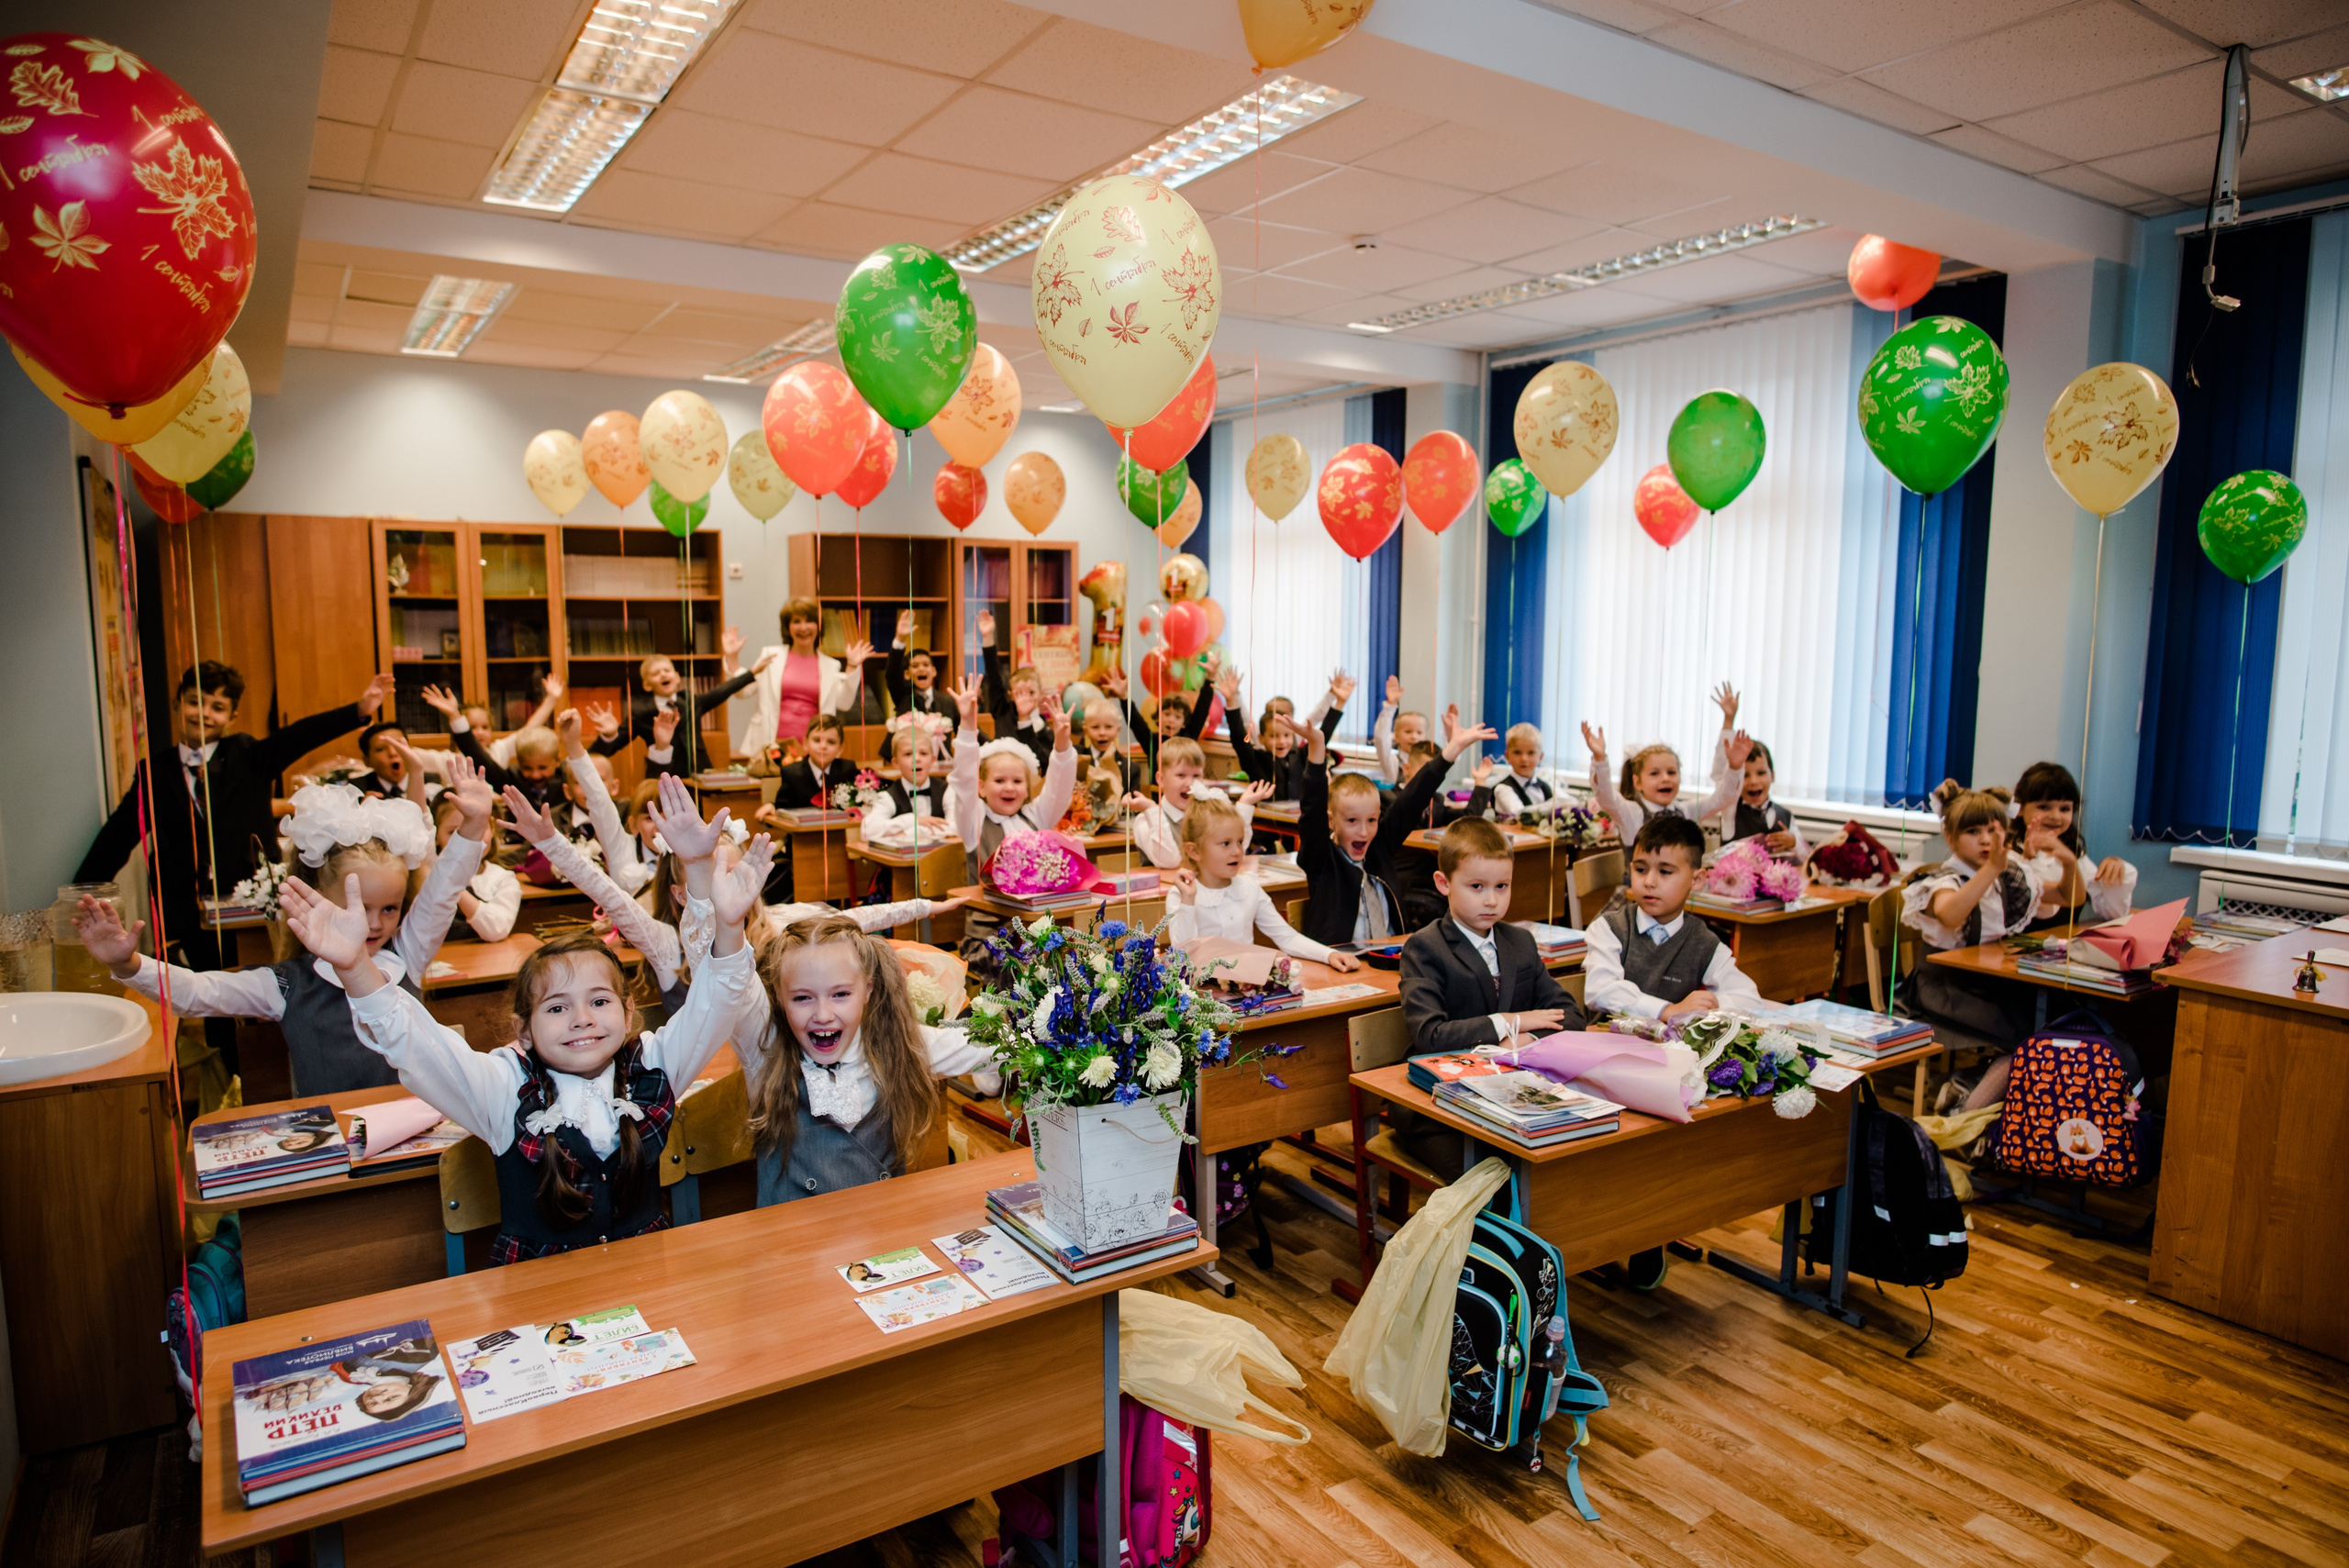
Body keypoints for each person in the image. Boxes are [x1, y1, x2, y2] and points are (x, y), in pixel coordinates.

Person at [282, 783, 769, 1264]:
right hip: (539, 1305)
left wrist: (725, 922)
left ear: (627, 1014)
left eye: (599, 1002)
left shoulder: (653, 1068)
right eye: (556, 1008)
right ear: (525, 1030)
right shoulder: (503, 1088)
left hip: (643, 1285)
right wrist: (356, 970)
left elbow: (717, 998)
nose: (581, 1019)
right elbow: (415, 1046)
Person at [75, 760, 492, 1096]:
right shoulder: (287, 985)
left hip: (414, 1135)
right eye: (357, 907)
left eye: (389, 908)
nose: (373, 923)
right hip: (338, 1152)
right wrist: (129, 964)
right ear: (317, 896)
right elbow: (199, 993)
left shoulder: (407, 954)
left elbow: (442, 890)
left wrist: (473, 827)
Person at [508, 779, 950, 1015]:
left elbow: (855, 919)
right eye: (711, 872)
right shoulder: (667, 946)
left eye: (735, 871)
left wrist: (931, 906)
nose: (727, 882)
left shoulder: (774, 923)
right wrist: (552, 843)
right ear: (681, 894)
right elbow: (614, 897)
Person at [76, 662, 395, 988]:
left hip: (255, 900)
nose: (203, 714)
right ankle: (219, 1040)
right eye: (194, 701)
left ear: (232, 717)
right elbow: (118, 834)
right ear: (177, 705)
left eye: (217, 708)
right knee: (205, 985)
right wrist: (82, 889)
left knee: (263, 983)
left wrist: (358, 710)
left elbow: (298, 736)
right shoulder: (154, 772)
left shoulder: (247, 755)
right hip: (188, 904)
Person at [728, 914, 1001, 1206]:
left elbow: (994, 1049)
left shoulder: (900, 1047)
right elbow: (729, 981)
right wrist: (726, 921)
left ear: (868, 989)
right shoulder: (765, 1051)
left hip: (885, 1238)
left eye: (840, 994)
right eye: (802, 998)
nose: (823, 1015)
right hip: (794, 1245)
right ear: (780, 997)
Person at [1394, 816, 1589, 1174]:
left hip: (1511, 1093)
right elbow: (1430, 1036)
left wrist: (1524, 1038)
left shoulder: (1520, 942)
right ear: (1443, 883)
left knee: (1567, 1160)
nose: (1492, 900)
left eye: (1502, 886)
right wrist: (1509, 1022)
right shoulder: (1424, 948)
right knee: (1494, 1175)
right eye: (1477, 887)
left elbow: (1572, 1016)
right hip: (1438, 1104)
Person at [1902, 780, 2081, 1113]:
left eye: (1991, 830)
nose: (1985, 840)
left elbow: (2069, 897)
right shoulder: (1941, 880)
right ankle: (1963, 1116)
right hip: (1944, 988)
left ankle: (1969, 1086)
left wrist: (2069, 864)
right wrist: (1991, 869)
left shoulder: (2006, 875)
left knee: (2054, 1018)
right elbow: (1951, 915)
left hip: (1988, 980)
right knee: (2028, 1035)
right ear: (1951, 836)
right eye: (1973, 831)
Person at [1290, 702, 1492, 950]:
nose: (1364, 831)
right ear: (1332, 820)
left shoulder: (1379, 848)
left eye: (1372, 820)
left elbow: (1413, 799)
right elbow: (1312, 811)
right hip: (1342, 961)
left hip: (1392, 956)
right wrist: (1316, 751)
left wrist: (1452, 749)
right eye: (1352, 821)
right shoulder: (1321, 858)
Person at [1582, 816, 1761, 1022]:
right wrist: (1666, 1010)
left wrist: (1713, 1003)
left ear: (1696, 880)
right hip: (1609, 1044)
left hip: (1670, 1050)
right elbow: (1600, 990)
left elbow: (1749, 998)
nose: (1649, 882)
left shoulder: (1703, 941)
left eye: (1665, 872)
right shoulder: (1611, 928)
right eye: (1640, 870)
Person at [1164, 795, 1358, 969]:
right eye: (1226, 843)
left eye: (1240, 842)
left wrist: (1329, 954)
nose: (1237, 851)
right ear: (1194, 851)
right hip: (1201, 995)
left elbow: (1287, 937)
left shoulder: (1249, 889)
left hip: (1246, 992)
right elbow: (1182, 959)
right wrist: (1188, 902)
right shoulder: (1181, 895)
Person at [948, 675, 1076, 888]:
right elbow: (964, 779)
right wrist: (968, 724)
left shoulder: (1036, 817)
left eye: (1017, 781)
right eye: (999, 780)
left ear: (1027, 788)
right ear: (981, 787)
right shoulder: (974, 821)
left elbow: (1059, 788)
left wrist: (1062, 744)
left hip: (1034, 919)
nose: (1009, 787)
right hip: (987, 920)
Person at [1582, 683, 1751, 841]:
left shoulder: (1686, 811)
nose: (1665, 778)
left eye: (1671, 772)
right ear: (1637, 782)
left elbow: (1723, 798)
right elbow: (1605, 796)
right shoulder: (1631, 814)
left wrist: (1735, 765)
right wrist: (1599, 758)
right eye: (1654, 773)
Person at [589, 626, 762, 778]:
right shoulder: (641, 712)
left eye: (667, 670)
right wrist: (609, 735)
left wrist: (751, 673)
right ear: (647, 685)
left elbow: (721, 691)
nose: (663, 675)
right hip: (666, 779)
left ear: (677, 677)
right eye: (656, 673)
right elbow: (607, 750)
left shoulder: (690, 701)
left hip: (700, 777)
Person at [740, 596, 872, 758]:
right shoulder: (770, 656)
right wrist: (732, 659)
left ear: (818, 626)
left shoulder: (831, 665)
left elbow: (844, 703)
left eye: (809, 621)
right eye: (796, 621)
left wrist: (852, 666)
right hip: (770, 747)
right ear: (788, 627)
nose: (803, 627)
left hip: (814, 750)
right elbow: (743, 692)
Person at [2011, 762, 2135, 928]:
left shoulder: (2074, 853)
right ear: (2019, 808)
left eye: (2064, 809)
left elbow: (2113, 912)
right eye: (2044, 807)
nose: (2055, 816)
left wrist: (2115, 869)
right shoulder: (2009, 853)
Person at [1127, 738, 1270, 869]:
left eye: (1196, 776)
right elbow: (1170, 861)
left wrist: (1245, 805)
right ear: (1161, 779)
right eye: (1181, 775)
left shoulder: (1206, 815)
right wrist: (1152, 810)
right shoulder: (1146, 822)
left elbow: (1235, 850)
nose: (1190, 783)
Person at [424, 684, 568, 812]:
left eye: (542, 768)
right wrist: (455, 716)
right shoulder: (512, 778)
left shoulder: (565, 776)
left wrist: (551, 699)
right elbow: (476, 755)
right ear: (519, 762)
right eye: (528, 768)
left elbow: (529, 730)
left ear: (557, 761)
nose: (536, 775)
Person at [977, 611, 1053, 771]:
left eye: (1031, 693)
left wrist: (1025, 720)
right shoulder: (1002, 711)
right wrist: (988, 637)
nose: (1024, 699)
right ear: (1011, 695)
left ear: (1040, 694)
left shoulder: (1044, 729)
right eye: (1019, 693)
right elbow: (994, 675)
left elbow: (1043, 763)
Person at [1721, 738, 1806, 862]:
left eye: (1761, 773)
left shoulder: (1785, 816)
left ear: (1772, 776)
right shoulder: (1730, 810)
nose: (1754, 781)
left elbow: (1804, 856)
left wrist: (1793, 842)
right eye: (1745, 775)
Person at [862, 720, 952, 836]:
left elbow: (957, 827)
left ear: (932, 760)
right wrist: (914, 821)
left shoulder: (947, 791)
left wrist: (908, 833)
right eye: (908, 754)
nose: (917, 759)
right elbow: (867, 830)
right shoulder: (888, 796)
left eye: (923, 753)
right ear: (895, 763)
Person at [766, 714, 861, 813]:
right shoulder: (791, 773)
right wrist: (772, 807)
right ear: (805, 744)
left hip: (838, 826)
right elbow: (781, 809)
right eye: (817, 740)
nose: (823, 746)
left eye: (831, 742)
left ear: (840, 749)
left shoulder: (847, 769)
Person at [884, 609, 953, 727]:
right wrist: (900, 639)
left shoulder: (947, 701)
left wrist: (993, 743)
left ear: (934, 671)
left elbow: (966, 729)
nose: (921, 669)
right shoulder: (903, 696)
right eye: (915, 666)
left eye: (926, 665)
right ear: (907, 674)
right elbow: (892, 675)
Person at [1372, 677, 1432, 786]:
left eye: (1419, 733)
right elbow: (1381, 739)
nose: (1414, 737)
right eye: (1408, 732)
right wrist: (1390, 706)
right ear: (1396, 736)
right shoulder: (1393, 763)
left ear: (1426, 737)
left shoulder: (1429, 761)